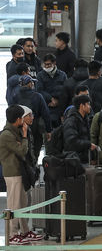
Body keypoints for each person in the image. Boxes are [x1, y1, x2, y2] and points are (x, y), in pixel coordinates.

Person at [0, 105, 44, 245]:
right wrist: (24, 136)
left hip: (21, 172)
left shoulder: (15, 132)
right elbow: (22, 151)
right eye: (26, 116)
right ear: (19, 119)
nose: (30, 119)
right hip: (13, 173)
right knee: (13, 204)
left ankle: (25, 231)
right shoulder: (7, 134)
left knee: (23, 203)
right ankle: (12, 234)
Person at [13, 74, 51, 161]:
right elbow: (46, 114)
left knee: (23, 149)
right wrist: (48, 130)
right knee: (35, 149)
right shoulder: (37, 96)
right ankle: (34, 166)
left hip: (19, 126)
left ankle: (25, 167)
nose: (33, 84)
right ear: (29, 84)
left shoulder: (15, 96)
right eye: (32, 82)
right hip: (35, 126)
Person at [63, 95, 98, 163]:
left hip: (83, 159)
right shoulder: (71, 121)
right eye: (88, 104)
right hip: (74, 160)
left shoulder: (85, 119)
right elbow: (71, 142)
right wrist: (88, 145)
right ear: (82, 105)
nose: (90, 107)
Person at [37, 54, 68, 128]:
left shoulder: (62, 75)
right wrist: (51, 98)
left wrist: (58, 101)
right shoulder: (40, 75)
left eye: (49, 64)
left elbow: (66, 91)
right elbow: (39, 90)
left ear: (54, 63)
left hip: (59, 108)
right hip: (46, 106)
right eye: (45, 64)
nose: (46, 67)